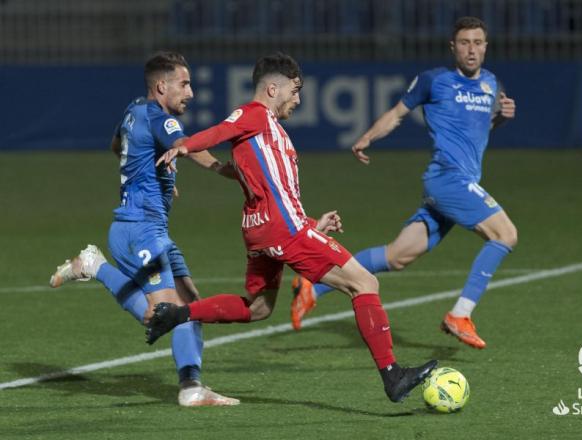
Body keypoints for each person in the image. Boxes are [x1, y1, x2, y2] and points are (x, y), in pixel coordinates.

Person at [147, 52, 438, 403]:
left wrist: (313, 225)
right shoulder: (254, 115)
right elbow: (222, 130)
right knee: (365, 282)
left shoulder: (266, 134)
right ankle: (393, 374)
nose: (298, 100)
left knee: (258, 308)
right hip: (282, 230)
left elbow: (270, 187)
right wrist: (183, 146)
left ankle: (177, 314)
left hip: (265, 230)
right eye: (295, 91)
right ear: (273, 88)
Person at [290, 16, 517, 350]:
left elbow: (478, 129)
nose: (472, 49)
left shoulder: (492, 84)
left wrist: (500, 117)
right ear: (453, 47)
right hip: (447, 178)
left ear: (486, 46)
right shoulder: (433, 81)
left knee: (397, 257)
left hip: (460, 183)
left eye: (478, 42)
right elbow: (396, 113)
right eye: (465, 43)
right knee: (506, 234)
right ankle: (460, 314)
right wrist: (366, 137)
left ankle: (313, 286)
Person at [49, 51, 239, 407]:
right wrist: (226, 171)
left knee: (192, 307)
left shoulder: (134, 109)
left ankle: (191, 387)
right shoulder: (157, 117)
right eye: (184, 84)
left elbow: (117, 145)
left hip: (151, 229)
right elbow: (185, 146)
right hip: (140, 231)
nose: (191, 92)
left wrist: (152, 173)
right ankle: (94, 266)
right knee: (162, 314)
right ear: (161, 86)